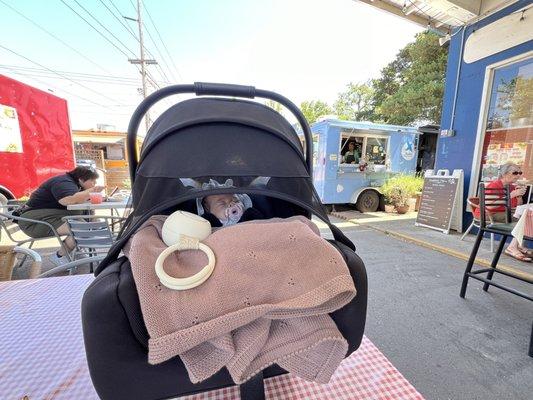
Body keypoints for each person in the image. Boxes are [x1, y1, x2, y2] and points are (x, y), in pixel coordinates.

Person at [17, 166, 104, 266]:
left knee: (86, 225)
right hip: (34, 222)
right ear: (81, 179)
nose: (94, 184)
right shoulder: (64, 182)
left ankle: (74, 249)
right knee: (83, 229)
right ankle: (59, 256)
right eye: (92, 181)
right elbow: (66, 200)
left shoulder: (72, 183)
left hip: (49, 218)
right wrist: (91, 191)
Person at [474, 162, 530, 261]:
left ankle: (518, 245)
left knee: (528, 216)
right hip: (488, 214)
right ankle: (512, 247)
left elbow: (518, 206)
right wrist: (510, 196)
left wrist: (519, 195)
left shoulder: (511, 187)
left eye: (519, 173)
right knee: (525, 218)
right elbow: (489, 207)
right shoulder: (494, 185)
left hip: (503, 213)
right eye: (515, 173)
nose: (518, 175)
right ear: (504, 174)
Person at [196, 179, 264, 227]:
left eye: (236, 201)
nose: (231, 204)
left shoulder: (249, 216)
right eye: (222, 204)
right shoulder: (210, 225)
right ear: (208, 210)